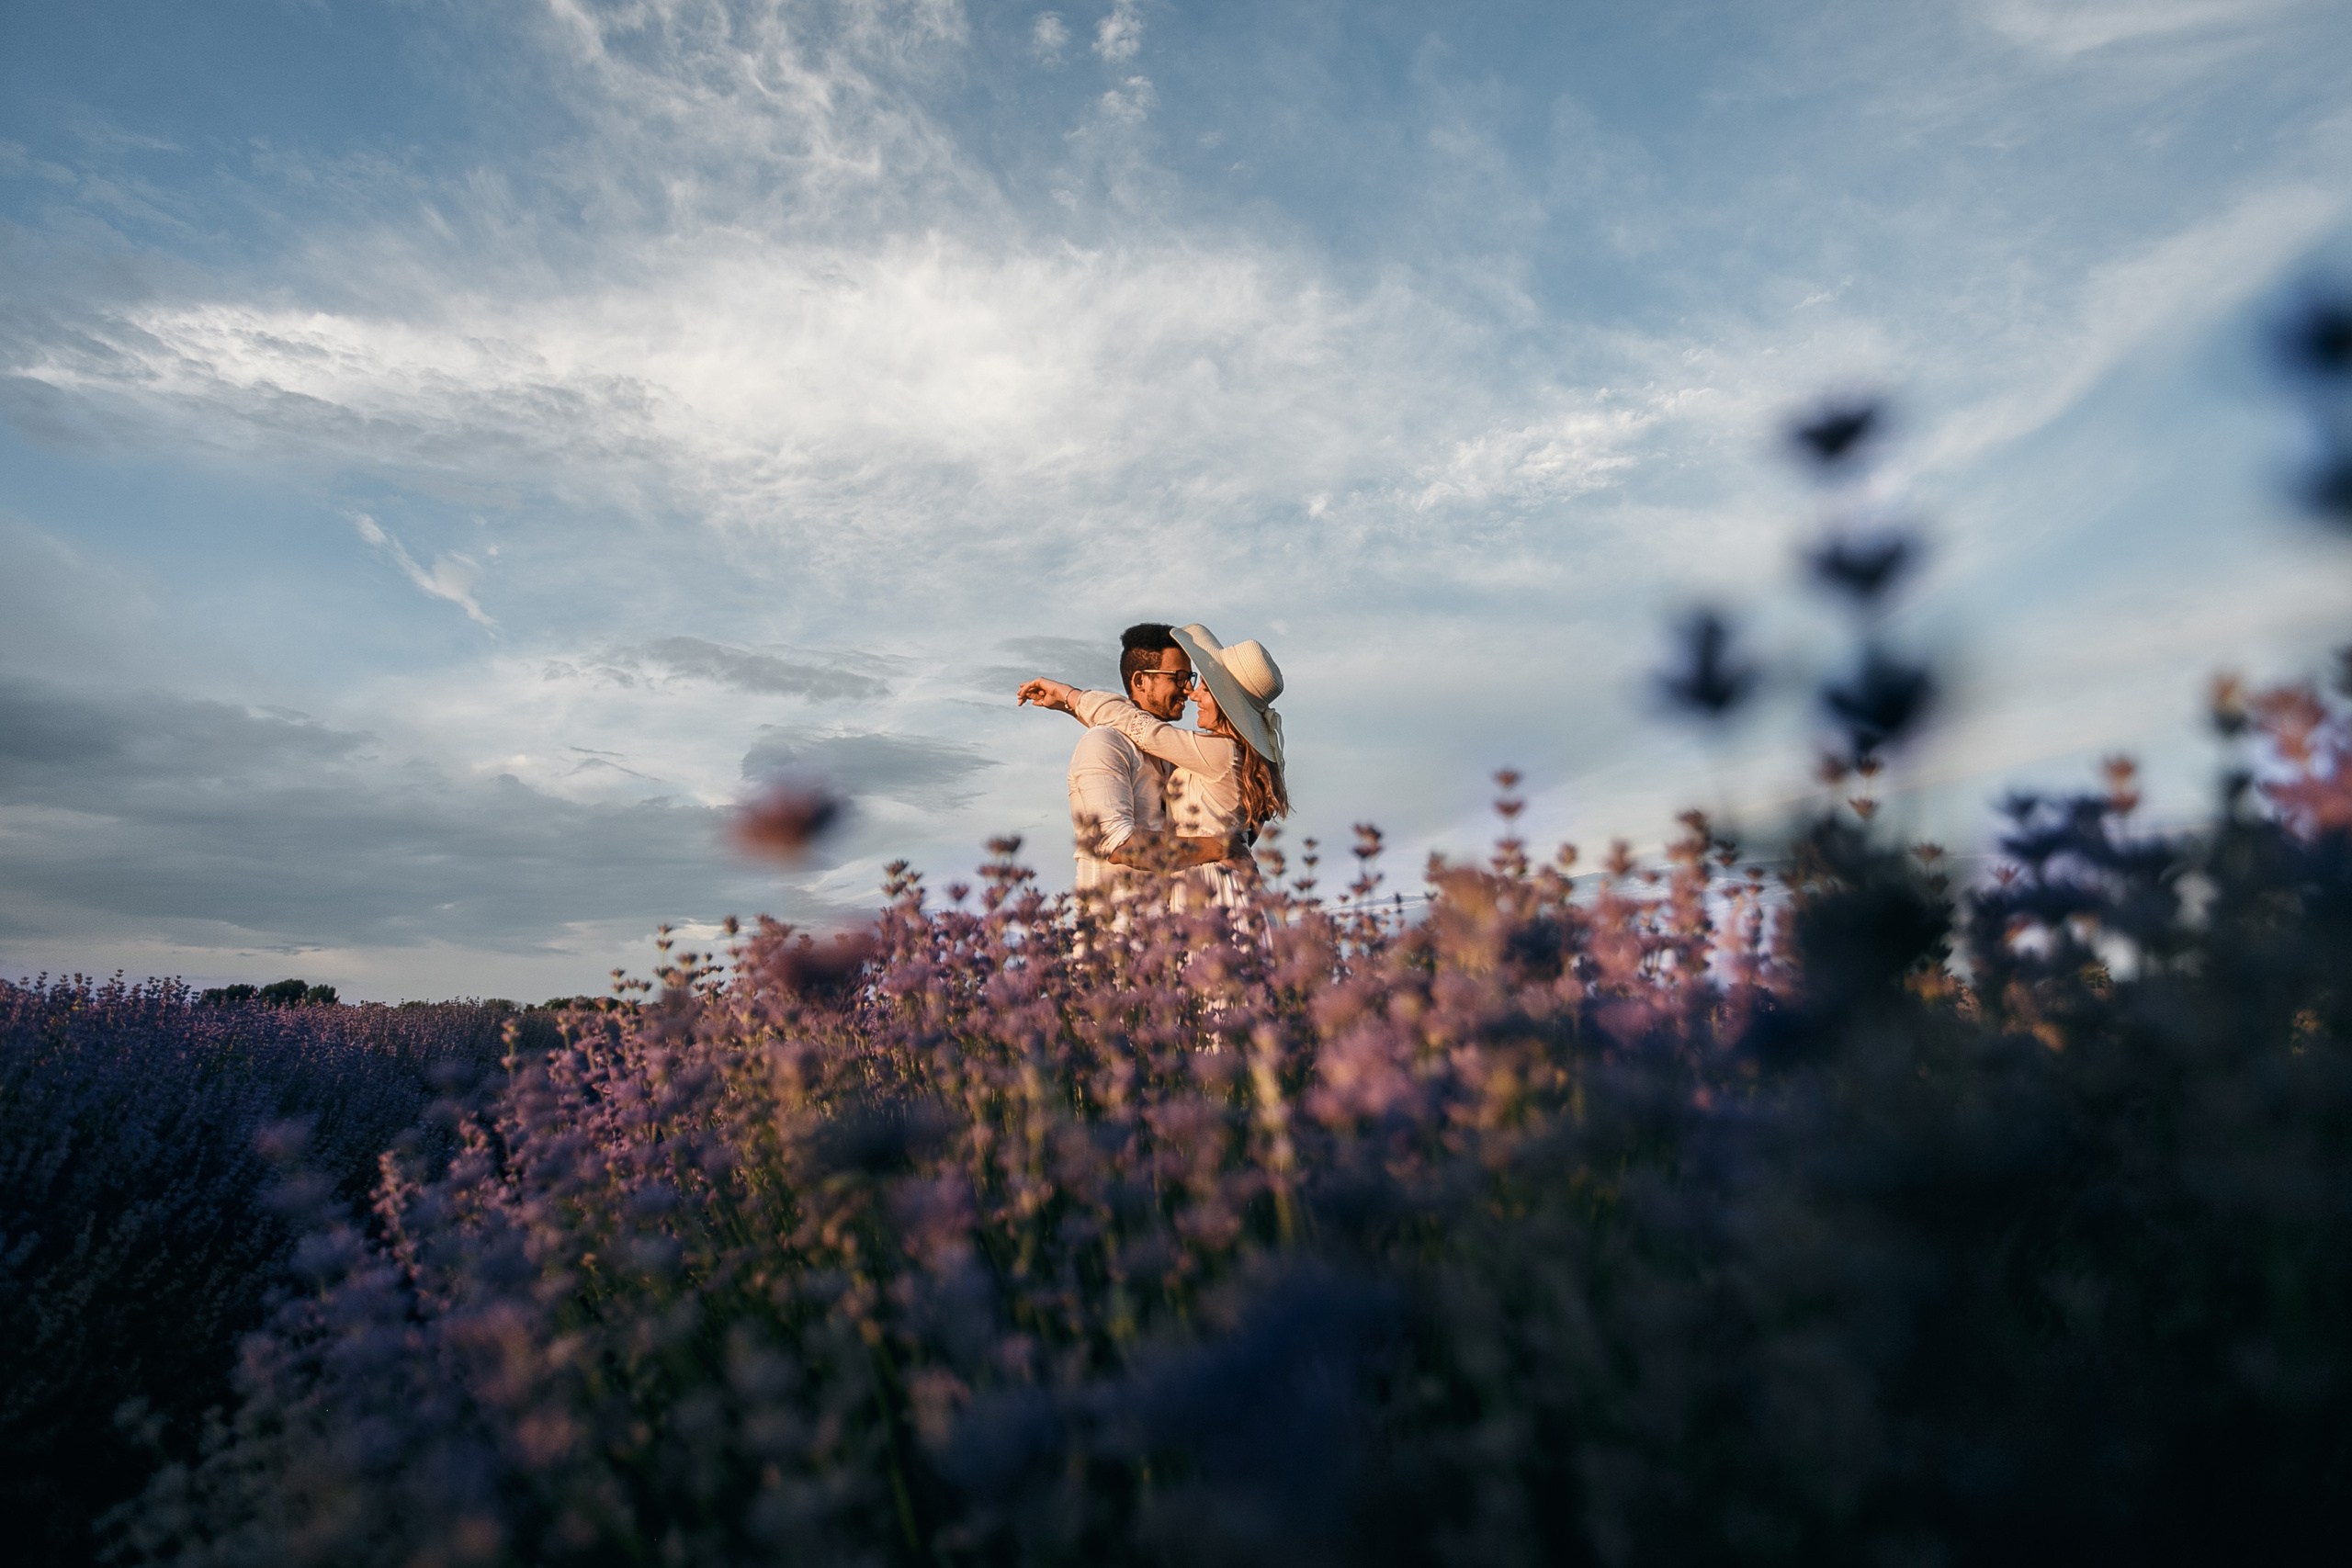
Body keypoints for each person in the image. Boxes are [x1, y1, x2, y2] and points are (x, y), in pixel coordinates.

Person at [1018, 623, 1286, 909]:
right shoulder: (1105, 743)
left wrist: (1069, 696)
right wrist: (1220, 847)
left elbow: (1142, 729)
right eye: (1180, 678)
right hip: (1117, 926)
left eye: (1196, 682)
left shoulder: (1209, 752)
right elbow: (1119, 844)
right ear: (1141, 681)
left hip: (1200, 901)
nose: (1190, 691)